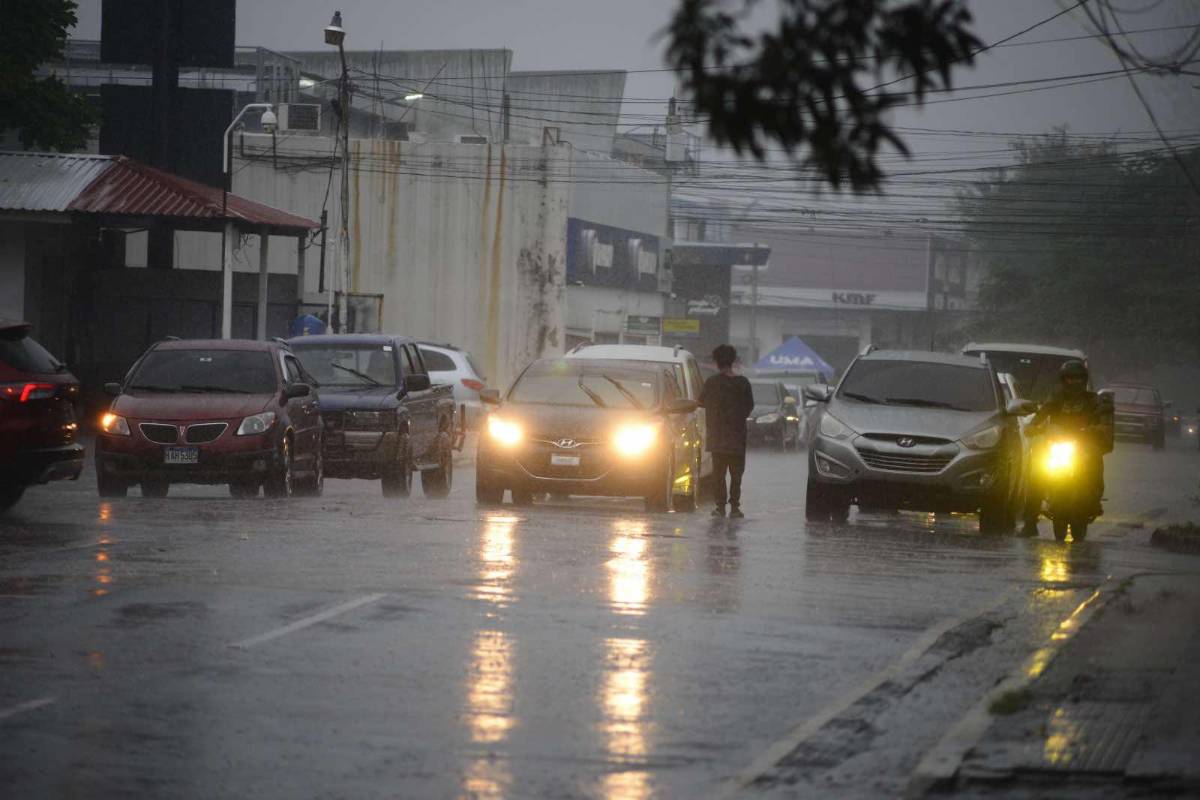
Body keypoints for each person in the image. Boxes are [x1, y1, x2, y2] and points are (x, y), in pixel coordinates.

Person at [1021, 360, 1112, 536]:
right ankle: (1030, 523)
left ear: (1084, 380)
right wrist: (1033, 426)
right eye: (1070, 379)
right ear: (1063, 380)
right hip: (1056, 445)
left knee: (1095, 461)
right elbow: (1041, 414)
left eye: (1078, 379)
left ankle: (1094, 500)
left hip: (1084, 447)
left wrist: (1099, 428)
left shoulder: (1092, 400)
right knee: (1037, 475)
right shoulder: (1055, 397)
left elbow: (1103, 419)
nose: (1074, 383)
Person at [699, 344, 755, 518]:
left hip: (717, 438)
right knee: (736, 474)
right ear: (733, 361)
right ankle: (735, 507)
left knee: (719, 474)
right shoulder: (743, 383)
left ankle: (720, 507)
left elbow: (701, 402)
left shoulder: (711, 383)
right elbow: (749, 406)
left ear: (716, 362)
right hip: (737, 437)